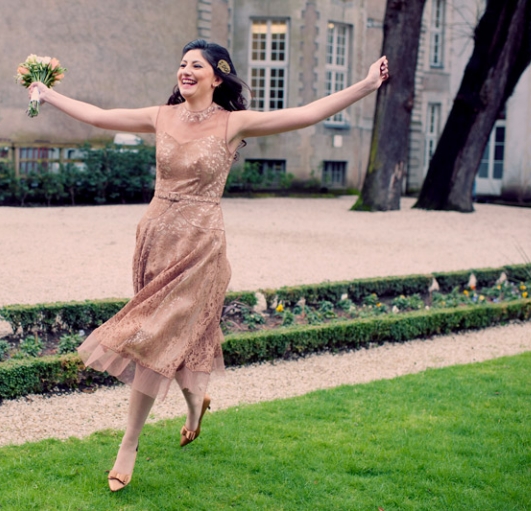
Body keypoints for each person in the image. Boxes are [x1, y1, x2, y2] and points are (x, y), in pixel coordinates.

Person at [28, 39, 389, 492]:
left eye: (195, 65)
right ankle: (196, 406)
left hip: (200, 249)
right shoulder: (160, 116)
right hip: (156, 239)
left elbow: (306, 114)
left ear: (217, 77)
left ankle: (129, 445)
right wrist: (47, 93)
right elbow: (100, 115)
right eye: (181, 63)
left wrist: (366, 85)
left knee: (149, 337)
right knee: (164, 339)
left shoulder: (233, 124)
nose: (185, 70)